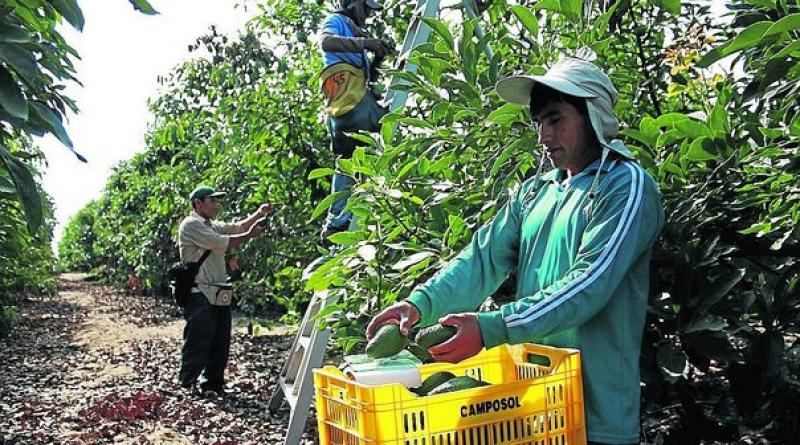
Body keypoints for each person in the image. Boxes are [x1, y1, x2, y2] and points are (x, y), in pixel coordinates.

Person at [366, 57, 664, 445]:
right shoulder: (535, 191)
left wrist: (494, 326)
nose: (543, 135)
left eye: (555, 120)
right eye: (538, 122)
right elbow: (481, 259)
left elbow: (590, 283)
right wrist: (420, 304)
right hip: (534, 401)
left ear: (594, 115)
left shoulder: (625, 186)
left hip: (595, 415)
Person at [177, 185, 275, 395]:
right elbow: (226, 242)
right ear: (198, 203)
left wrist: (259, 213)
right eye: (213, 201)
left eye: (218, 201)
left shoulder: (210, 224)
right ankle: (188, 383)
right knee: (198, 340)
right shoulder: (192, 225)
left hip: (218, 291)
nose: (217, 205)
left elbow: (236, 227)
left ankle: (213, 384)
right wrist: (251, 234)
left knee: (220, 341)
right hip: (200, 292)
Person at [317, 0, 393, 239]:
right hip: (351, 104)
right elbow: (325, 42)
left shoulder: (354, 29)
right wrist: (364, 43)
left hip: (353, 101)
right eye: (366, 7)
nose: (368, 13)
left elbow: (368, 76)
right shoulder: (336, 21)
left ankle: (337, 219)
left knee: (349, 163)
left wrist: (377, 56)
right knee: (388, 125)